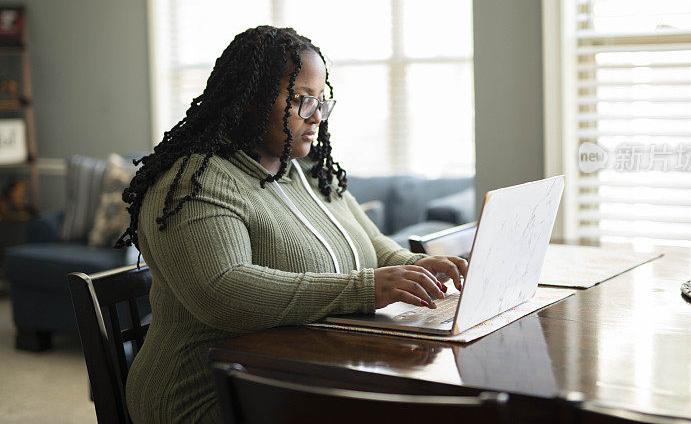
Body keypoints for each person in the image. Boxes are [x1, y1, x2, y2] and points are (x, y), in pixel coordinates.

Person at [120, 25, 468, 423]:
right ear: (251, 100)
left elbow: (374, 245)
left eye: (322, 101)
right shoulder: (194, 181)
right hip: (206, 394)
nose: (317, 116)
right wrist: (367, 287)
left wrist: (413, 267)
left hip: (297, 375)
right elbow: (223, 292)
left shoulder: (308, 171)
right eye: (303, 100)